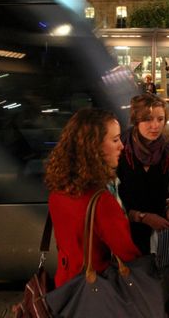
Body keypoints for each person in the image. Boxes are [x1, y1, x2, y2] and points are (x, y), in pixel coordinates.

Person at [46, 108, 140, 288]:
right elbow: (128, 255)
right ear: (94, 147)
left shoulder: (59, 189)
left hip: (66, 286)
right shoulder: (100, 201)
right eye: (115, 140)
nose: (122, 145)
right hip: (95, 292)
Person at [117, 93, 169, 254]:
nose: (155, 125)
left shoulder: (168, 154)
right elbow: (112, 198)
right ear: (136, 120)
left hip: (156, 234)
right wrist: (143, 217)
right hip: (123, 233)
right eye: (148, 119)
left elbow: (162, 190)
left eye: (160, 119)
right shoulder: (121, 151)